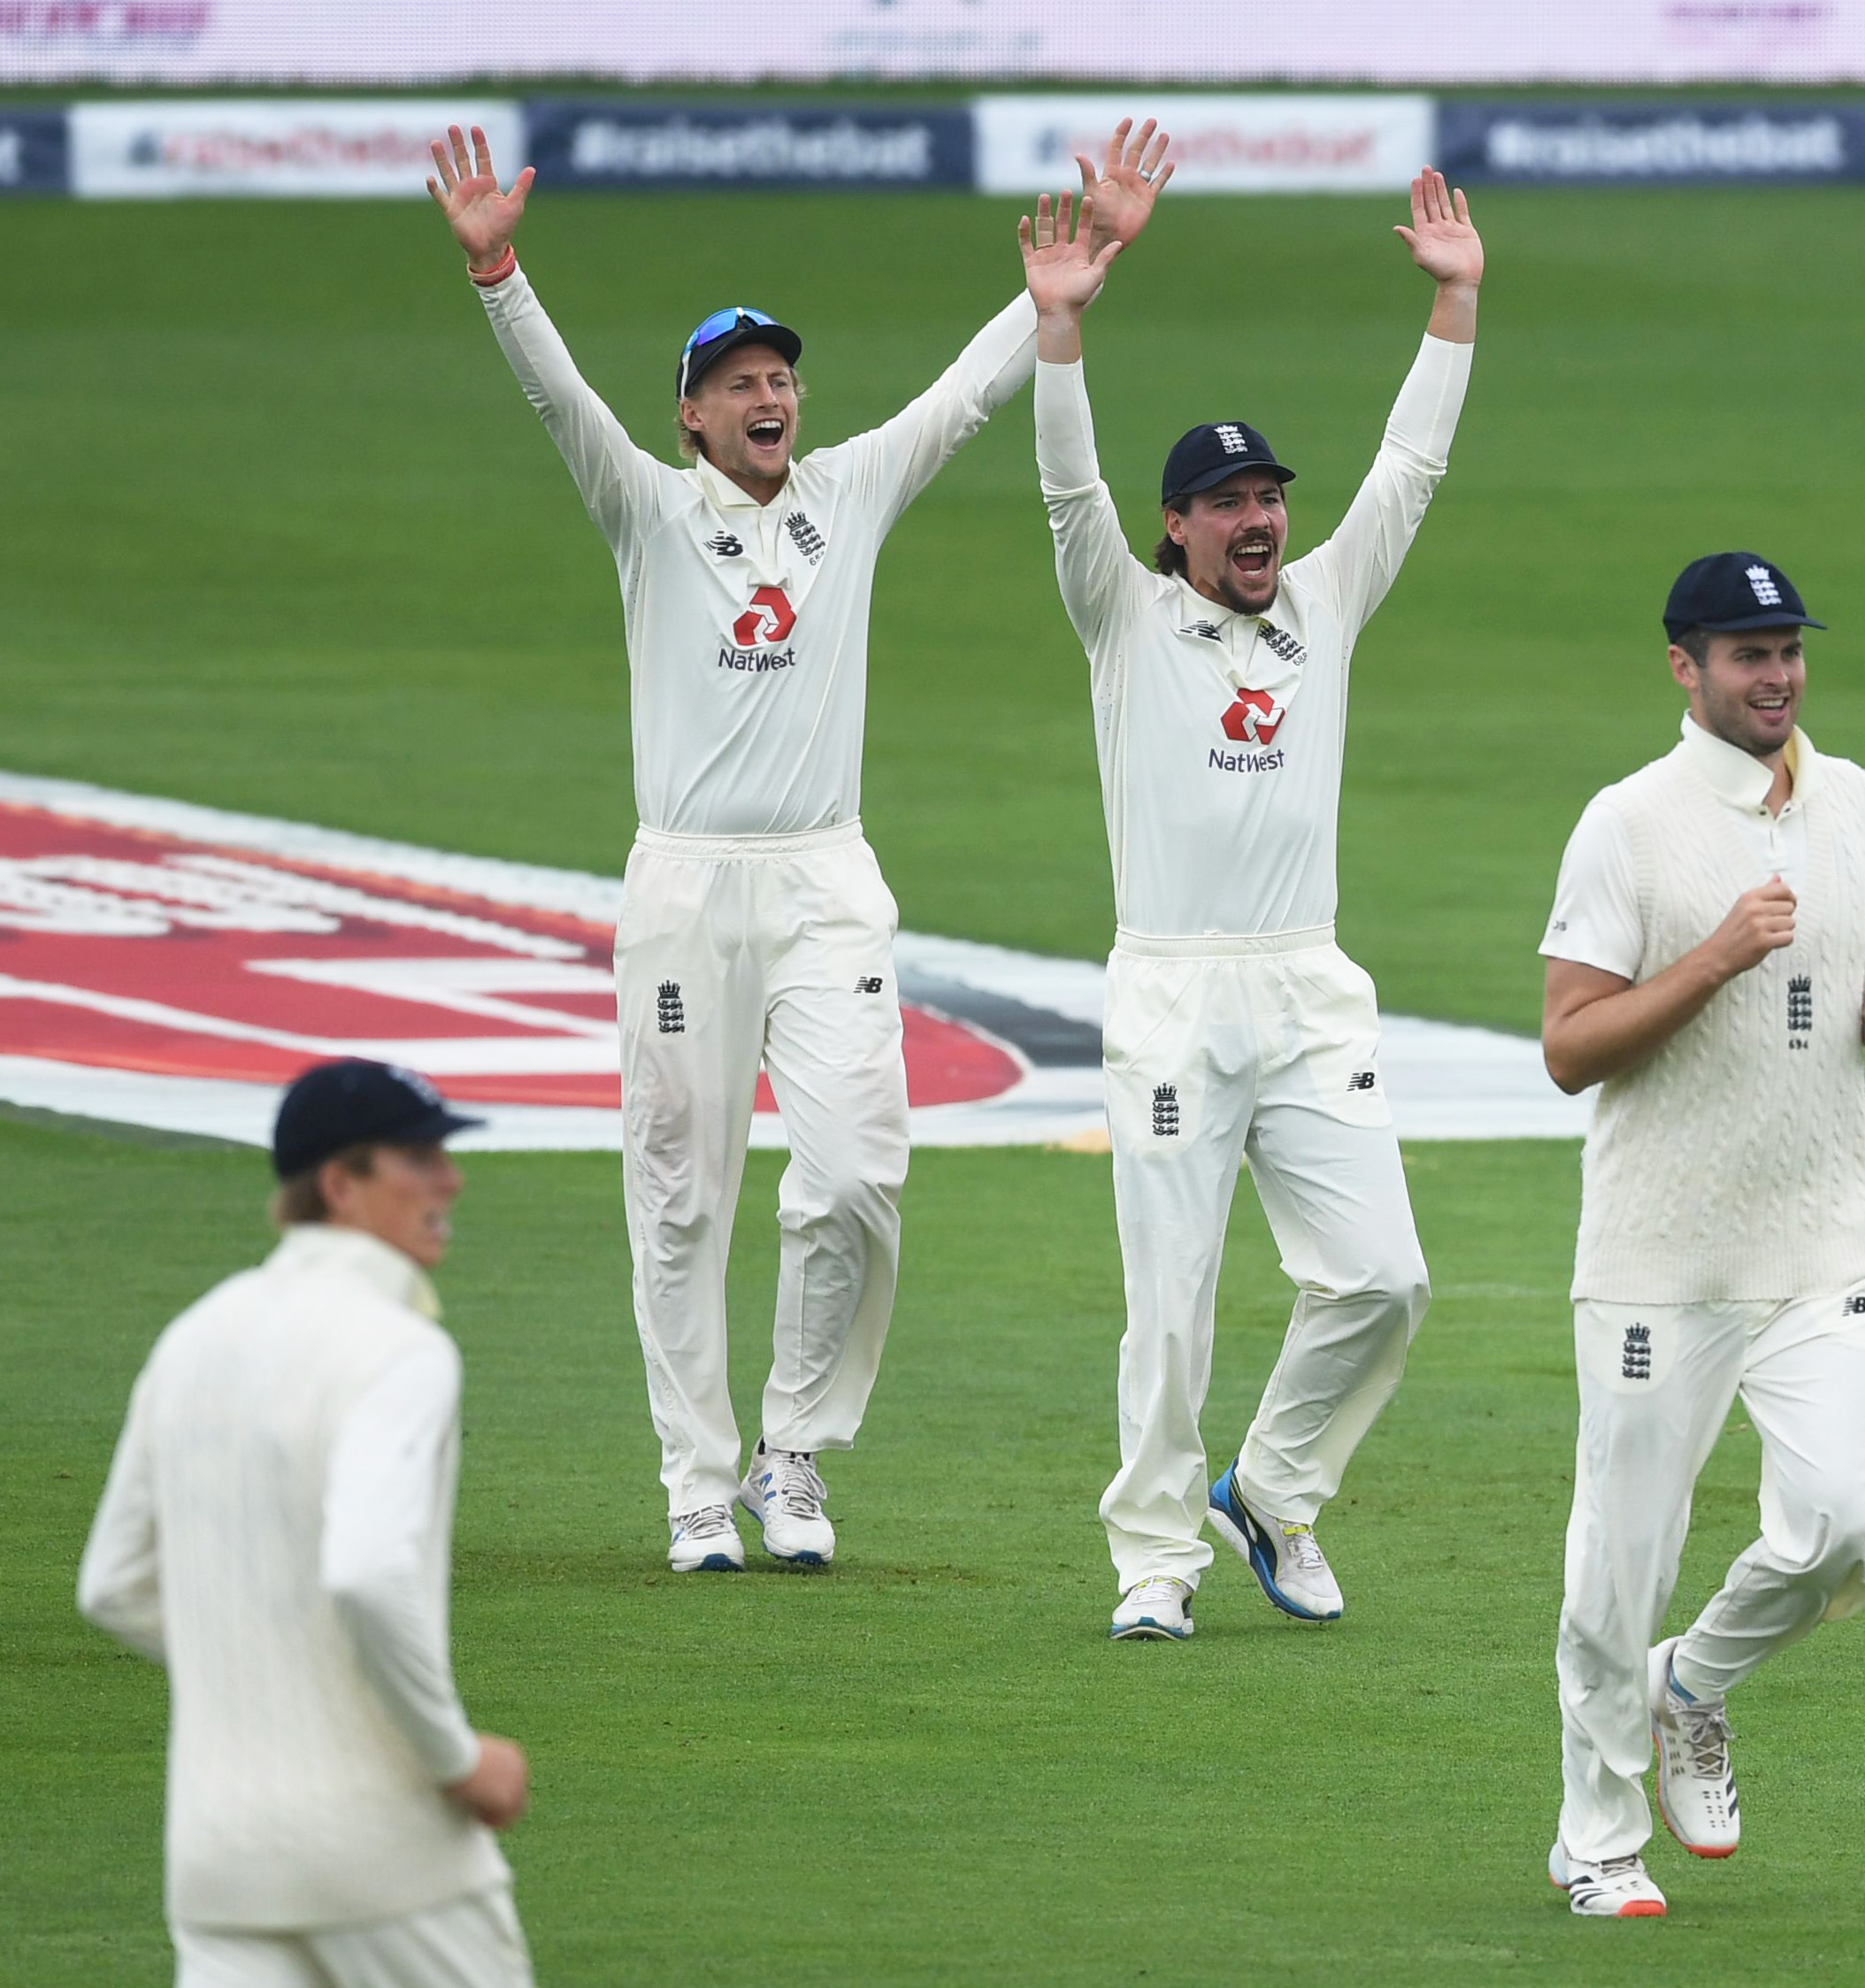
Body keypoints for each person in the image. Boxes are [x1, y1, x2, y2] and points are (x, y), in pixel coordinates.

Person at [426, 123, 1050, 1571]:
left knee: (855, 1173)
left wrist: (1057, 303)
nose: (767, 395)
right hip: (686, 885)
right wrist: (496, 271)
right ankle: (696, 1484)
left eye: (779, 376)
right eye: (736, 383)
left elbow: (962, 402)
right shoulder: (650, 510)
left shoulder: (846, 494)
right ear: (693, 416)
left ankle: (792, 1452)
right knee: (680, 1191)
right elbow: (561, 401)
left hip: (827, 876)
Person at [1022, 134, 1484, 1642]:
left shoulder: (1323, 609)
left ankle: (1273, 1487)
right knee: (1171, 1304)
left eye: (1269, 495)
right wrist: (1063, 326)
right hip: (1169, 987)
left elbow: (1408, 475)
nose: (1258, 517)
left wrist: (1451, 308)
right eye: (1225, 502)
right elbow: (1064, 480)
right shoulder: (1122, 616)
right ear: (1176, 529)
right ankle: (1153, 1560)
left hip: (1303, 983)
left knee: (1385, 1280)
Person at [1534, 553, 1865, 1917]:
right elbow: (1569, 1047)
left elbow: (1807, 997)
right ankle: (1596, 1844)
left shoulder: (1852, 797)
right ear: (1683, 667)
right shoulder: (1626, 824)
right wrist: (1709, 955)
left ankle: (1692, 1681)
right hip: (1661, 1257)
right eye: (1744, 652)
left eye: (1787, 649)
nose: (1774, 675)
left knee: (1840, 1527)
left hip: (1820, 1235)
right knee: (1617, 1563)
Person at [80, 1059, 535, 1986]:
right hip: (383, 1856)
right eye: (418, 1157)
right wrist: (454, 1760)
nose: (449, 1180)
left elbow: (113, 1587)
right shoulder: (401, 1351)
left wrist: (270, 1660)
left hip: (218, 1865)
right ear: (341, 1183)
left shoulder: (193, 1336)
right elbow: (367, 1571)